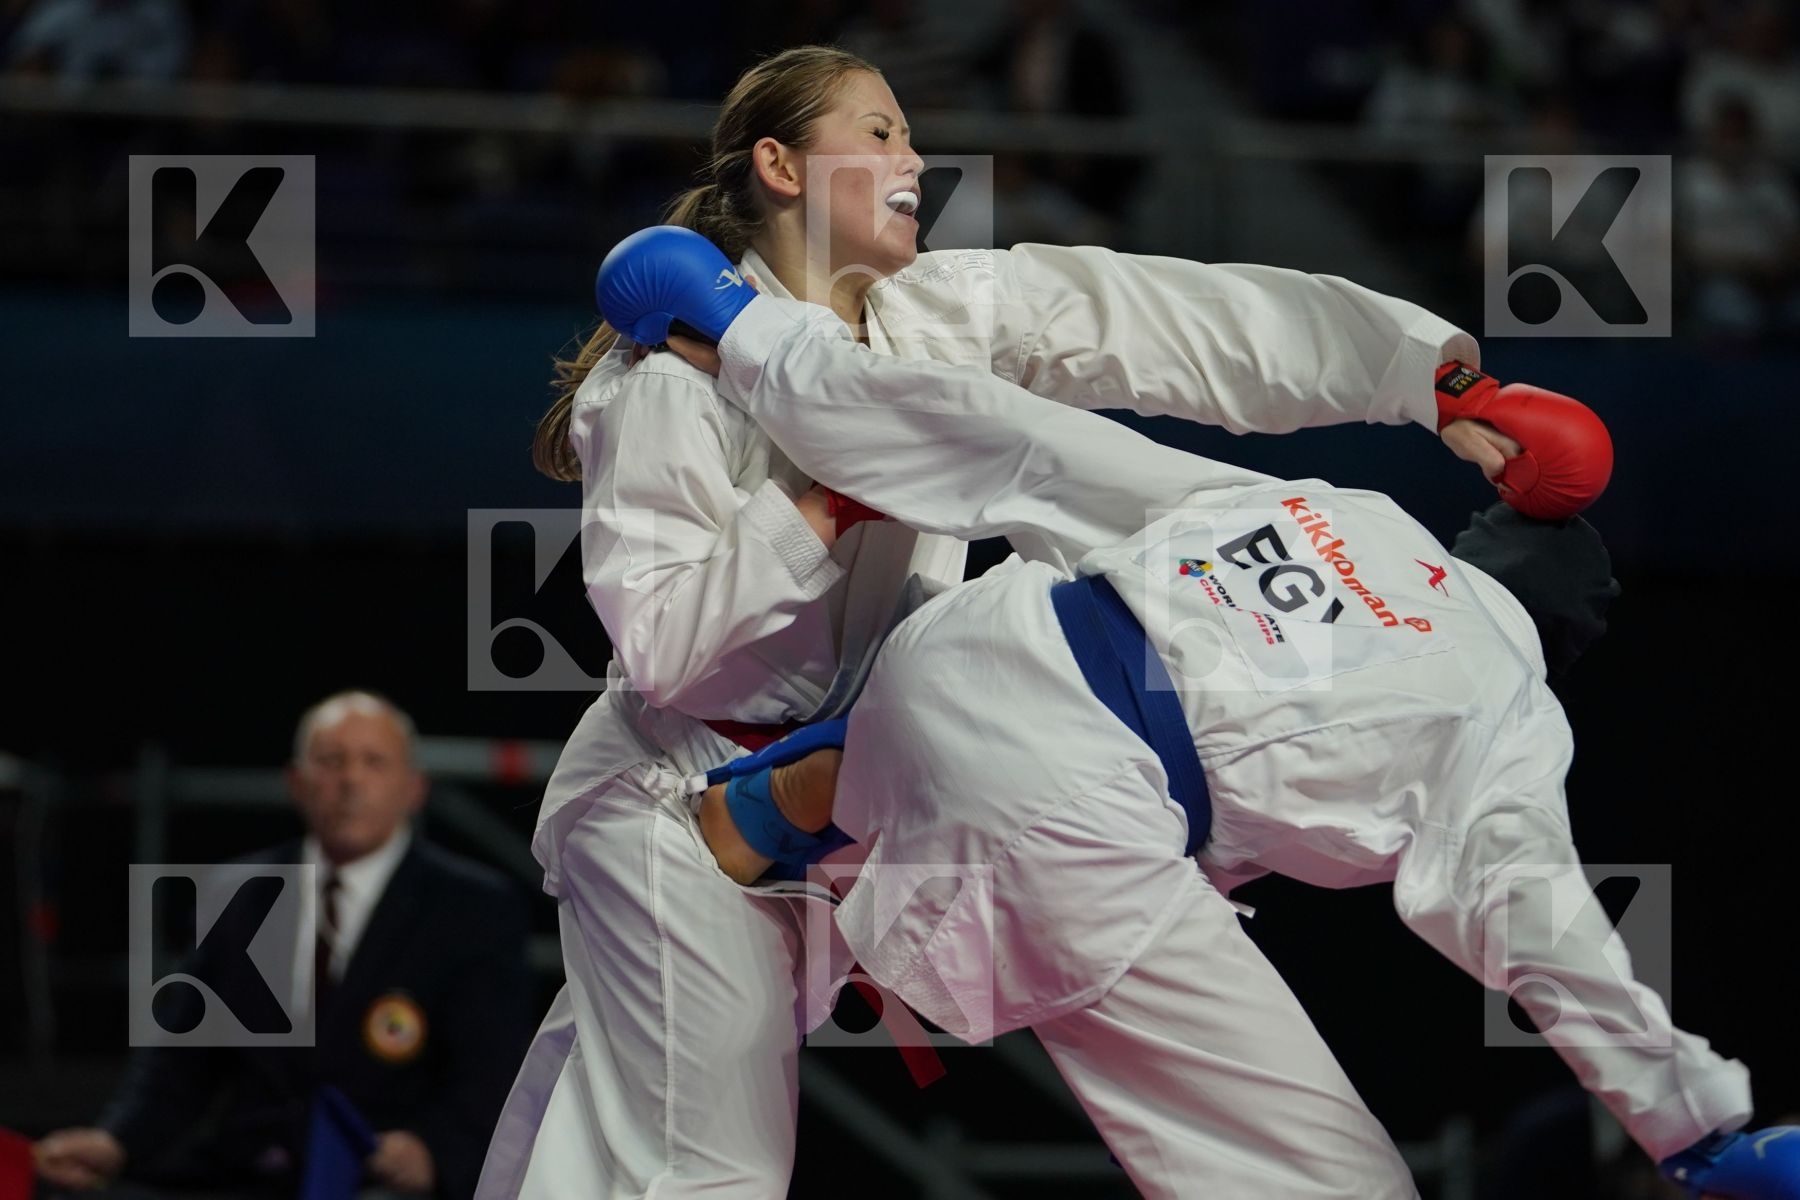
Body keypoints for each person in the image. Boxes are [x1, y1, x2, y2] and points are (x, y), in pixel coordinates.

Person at [482, 44, 1527, 1198]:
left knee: (586, 1152)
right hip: (673, 802)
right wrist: (821, 505)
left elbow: (1171, 319)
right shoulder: (666, 381)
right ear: (780, 166)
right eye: (878, 133)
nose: (913, 160)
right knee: (707, 1170)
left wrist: (1419, 374)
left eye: (910, 136)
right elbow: (663, 644)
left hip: (835, 808)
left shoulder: (945, 314)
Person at [600, 240, 1796, 1199]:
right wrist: (1695, 1128)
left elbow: (1028, 448)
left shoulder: (1338, 511)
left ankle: (819, 784)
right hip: (1065, 825)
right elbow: (1544, 933)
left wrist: (743, 326)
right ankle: (848, 804)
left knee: (1055, 574)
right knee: (1329, 1179)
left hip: (958, 661)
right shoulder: (1510, 713)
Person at [34, 691, 533, 1199]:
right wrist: (115, 1142)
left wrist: (434, 1153)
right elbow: (179, 1061)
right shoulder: (240, 893)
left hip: (377, 1183)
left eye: (374, 762)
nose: (351, 780)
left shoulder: (472, 907)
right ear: (296, 782)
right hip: (245, 1174)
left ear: (414, 787)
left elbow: (491, 1072)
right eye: (332, 761)